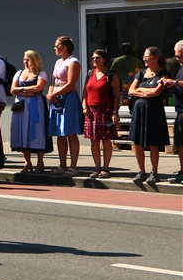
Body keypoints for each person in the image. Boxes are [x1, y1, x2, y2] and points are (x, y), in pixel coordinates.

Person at [127, 47, 170, 184]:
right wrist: (144, 92)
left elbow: (156, 92)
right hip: (139, 111)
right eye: (144, 56)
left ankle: (155, 172)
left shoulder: (163, 74)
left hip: (154, 112)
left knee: (153, 143)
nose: (144, 58)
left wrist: (140, 89)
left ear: (156, 57)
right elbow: (131, 90)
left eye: (147, 56)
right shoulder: (141, 72)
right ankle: (141, 171)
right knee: (137, 143)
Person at [10, 50, 51, 173]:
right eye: (24, 59)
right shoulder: (19, 73)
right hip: (21, 106)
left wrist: (21, 89)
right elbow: (12, 89)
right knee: (22, 132)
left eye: (28, 59)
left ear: (34, 60)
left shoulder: (41, 73)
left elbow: (38, 88)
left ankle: (40, 162)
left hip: (35, 105)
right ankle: (27, 162)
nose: (25, 62)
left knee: (37, 131)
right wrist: (27, 93)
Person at [47, 35, 82, 176]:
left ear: (65, 47)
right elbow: (52, 81)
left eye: (57, 45)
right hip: (56, 98)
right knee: (60, 134)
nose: (54, 48)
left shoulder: (73, 62)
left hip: (68, 98)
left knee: (70, 133)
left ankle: (73, 166)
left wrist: (55, 94)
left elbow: (70, 83)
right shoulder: (57, 62)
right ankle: (62, 165)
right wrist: (50, 93)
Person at [82, 49, 120, 179]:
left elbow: (116, 96)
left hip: (106, 111)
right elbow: (85, 93)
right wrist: (84, 107)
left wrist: (115, 112)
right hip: (91, 111)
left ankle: (106, 167)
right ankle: (97, 167)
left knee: (106, 140)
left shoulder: (111, 75)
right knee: (94, 140)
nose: (94, 60)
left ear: (104, 59)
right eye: (92, 58)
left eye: (97, 58)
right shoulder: (90, 74)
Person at [163, 41, 183, 184]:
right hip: (180, 111)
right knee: (180, 143)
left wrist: (174, 82)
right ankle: (182, 171)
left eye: (180, 56)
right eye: (176, 56)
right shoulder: (180, 68)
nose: (177, 59)